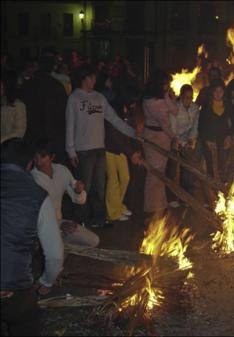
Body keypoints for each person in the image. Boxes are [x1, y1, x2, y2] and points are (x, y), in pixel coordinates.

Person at [1, 138, 64, 336]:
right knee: (25, 321)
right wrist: (47, 281)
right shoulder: (38, 196)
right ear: (29, 164)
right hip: (12, 290)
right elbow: (54, 254)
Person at [65, 64, 137, 228]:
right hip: (83, 149)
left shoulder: (99, 97)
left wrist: (131, 132)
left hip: (99, 148)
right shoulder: (74, 98)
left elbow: (114, 118)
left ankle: (99, 218)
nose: (95, 80)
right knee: (85, 187)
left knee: (99, 186)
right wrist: (70, 150)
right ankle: (82, 219)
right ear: (84, 79)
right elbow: (70, 124)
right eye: (92, 77)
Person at [31, 138, 99, 248]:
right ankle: (57, 250)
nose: (38, 162)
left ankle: (62, 246)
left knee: (93, 240)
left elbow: (80, 200)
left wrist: (78, 191)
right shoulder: (32, 179)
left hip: (60, 224)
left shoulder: (61, 171)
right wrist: (60, 225)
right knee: (56, 254)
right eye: (35, 157)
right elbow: (35, 216)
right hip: (41, 229)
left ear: (52, 157)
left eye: (43, 157)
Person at [142, 69, 178, 215]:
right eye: (165, 84)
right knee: (154, 172)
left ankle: (160, 203)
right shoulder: (151, 101)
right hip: (154, 136)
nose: (167, 86)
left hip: (163, 137)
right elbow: (164, 123)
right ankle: (151, 206)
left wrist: (168, 97)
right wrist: (175, 137)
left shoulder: (161, 98)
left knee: (160, 171)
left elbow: (175, 111)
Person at [20, 54, 68, 165]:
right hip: (54, 137)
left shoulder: (28, 85)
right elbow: (63, 112)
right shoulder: (57, 86)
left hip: (33, 136)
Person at [105, 90, 144, 222]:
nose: (133, 106)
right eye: (131, 103)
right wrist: (131, 152)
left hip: (122, 150)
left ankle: (118, 206)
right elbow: (115, 137)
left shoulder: (128, 112)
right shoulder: (114, 113)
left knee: (125, 178)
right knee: (113, 180)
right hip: (110, 149)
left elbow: (133, 133)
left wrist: (137, 150)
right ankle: (112, 212)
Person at [198, 79, 234, 204]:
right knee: (210, 169)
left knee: (223, 167)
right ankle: (210, 198)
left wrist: (229, 136)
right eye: (216, 91)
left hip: (223, 141)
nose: (218, 93)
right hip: (210, 142)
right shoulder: (206, 106)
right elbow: (201, 126)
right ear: (212, 92)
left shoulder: (228, 104)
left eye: (221, 91)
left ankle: (221, 197)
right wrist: (206, 140)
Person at [168, 84, 200, 202]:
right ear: (181, 96)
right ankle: (171, 198)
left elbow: (195, 126)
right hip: (175, 140)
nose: (188, 100)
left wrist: (191, 140)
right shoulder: (175, 108)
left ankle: (185, 197)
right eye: (186, 97)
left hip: (188, 141)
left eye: (190, 97)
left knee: (186, 170)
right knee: (172, 169)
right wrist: (179, 142)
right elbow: (172, 128)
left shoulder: (195, 108)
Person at [1, 71, 27, 143]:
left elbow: (19, 132)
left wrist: (2, 139)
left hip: (8, 148)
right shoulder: (3, 102)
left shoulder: (18, 106)